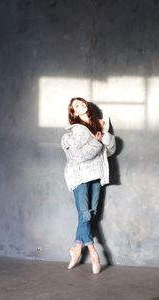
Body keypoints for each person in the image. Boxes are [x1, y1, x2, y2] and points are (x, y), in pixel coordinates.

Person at [61, 97, 116, 274]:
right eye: (76, 105)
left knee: (90, 214)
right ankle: (94, 253)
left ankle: (77, 248)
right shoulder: (72, 133)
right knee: (85, 214)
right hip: (79, 176)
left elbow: (111, 151)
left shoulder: (100, 125)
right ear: (74, 112)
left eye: (82, 102)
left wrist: (105, 137)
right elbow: (78, 156)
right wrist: (96, 142)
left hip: (97, 174)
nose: (81, 105)